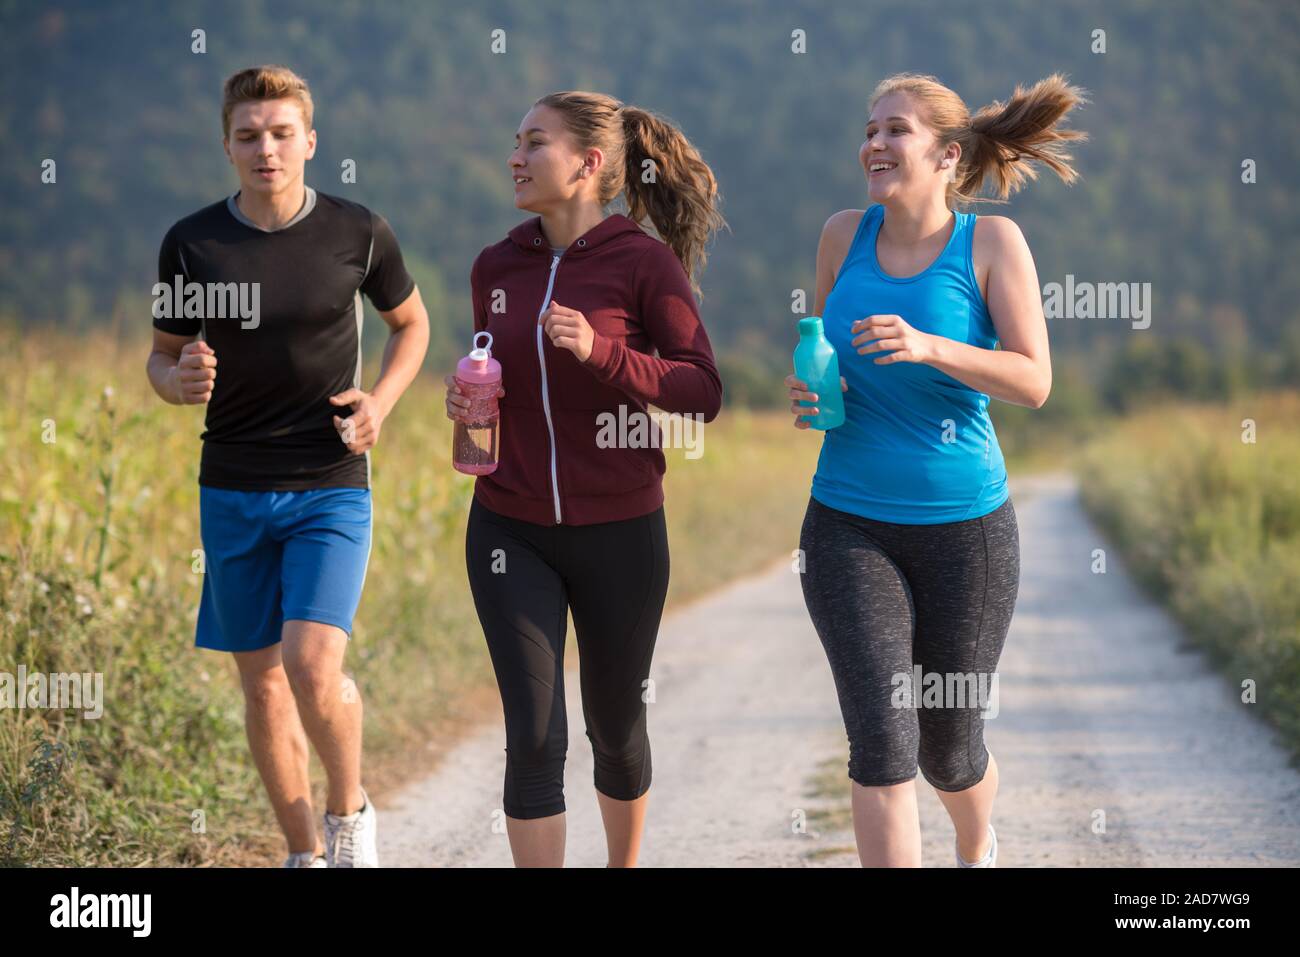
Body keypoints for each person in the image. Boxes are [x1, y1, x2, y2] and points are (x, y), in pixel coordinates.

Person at [786, 72, 1087, 867]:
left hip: (966, 532)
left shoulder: (989, 244)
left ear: (948, 156)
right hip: (847, 522)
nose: (875, 144)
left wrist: (931, 347)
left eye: (896, 130)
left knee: (947, 747)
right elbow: (823, 357)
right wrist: (814, 394)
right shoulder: (840, 235)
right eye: (870, 128)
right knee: (884, 739)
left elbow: (1034, 380)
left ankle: (977, 833)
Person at [146, 65, 429, 868]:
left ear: (310, 141)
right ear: (227, 146)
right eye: (247, 136)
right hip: (231, 487)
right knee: (264, 686)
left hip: (330, 482)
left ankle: (351, 813)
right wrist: (178, 382)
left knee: (311, 665)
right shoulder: (192, 243)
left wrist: (380, 402)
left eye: (280, 134)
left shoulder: (358, 230)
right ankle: (303, 852)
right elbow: (161, 361)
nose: (265, 149)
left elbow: (412, 325)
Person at [444, 91, 725, 867]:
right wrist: (470, 400)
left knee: (614, 725)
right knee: (534, 732)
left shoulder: (643, 263)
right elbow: (498, 384)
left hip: (622, 532)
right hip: (509, 526)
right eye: (516, 138)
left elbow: (702, 392)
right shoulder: (495, 266)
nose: (515, 156)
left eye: (535, 142)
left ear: (589, 164)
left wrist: (603, 355)